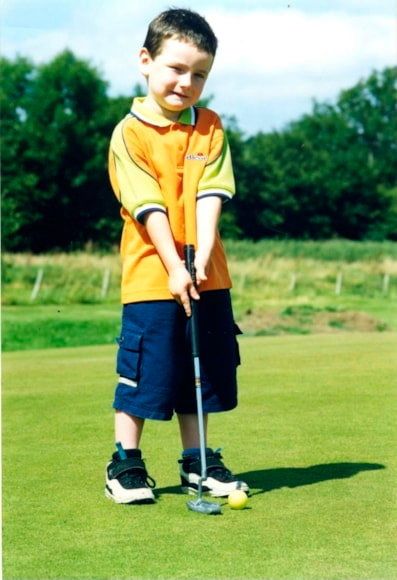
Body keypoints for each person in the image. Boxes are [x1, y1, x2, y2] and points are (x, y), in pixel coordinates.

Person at [105, 7, 249, 504]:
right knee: (147, 371)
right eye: (176, 68)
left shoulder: (209, 127)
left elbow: (212, 192)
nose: (186, 82)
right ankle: (125, 462)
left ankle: (199, 462)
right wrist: (173, 266)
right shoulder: (130, 132)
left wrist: (203, 255)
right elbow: (148, 207)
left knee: (202, 371)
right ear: (146, 61)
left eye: (199, 74)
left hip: (207, 275)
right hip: (152, 275)